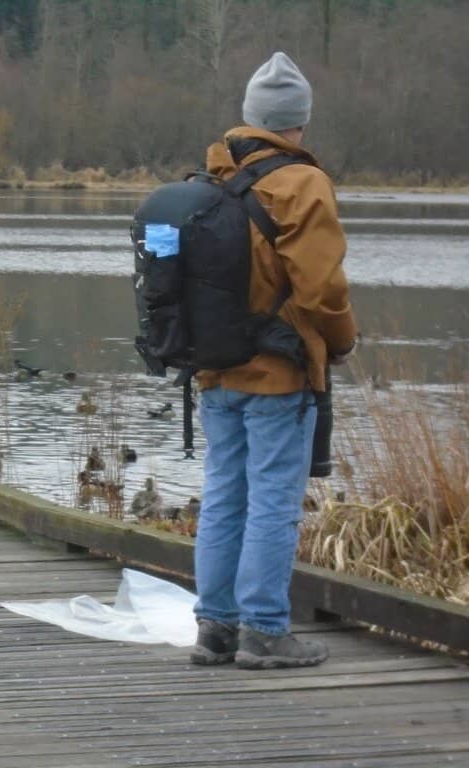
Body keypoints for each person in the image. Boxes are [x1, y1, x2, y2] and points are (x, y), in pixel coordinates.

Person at [189, 52, 357, 670]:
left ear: (250, 118)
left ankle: (215, 630)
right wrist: (341, 340)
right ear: (298, 123)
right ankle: (263, 630)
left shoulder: (209, 178)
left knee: (224, 496)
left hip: (214, 371)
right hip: (279, 373)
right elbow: (321, 291)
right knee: (274, 504)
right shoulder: (302, 183)